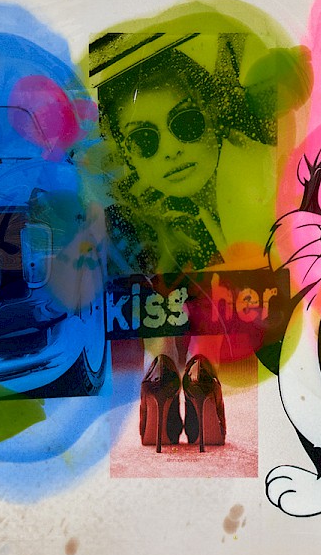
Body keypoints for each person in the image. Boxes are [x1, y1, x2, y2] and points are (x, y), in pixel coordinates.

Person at [93, 32, 282, 452]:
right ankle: (199, 373)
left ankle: (162, 377)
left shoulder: (248, 177)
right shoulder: (158, 206)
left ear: (212, 116)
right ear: (128, 155)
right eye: (146, 141)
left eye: (186, 124)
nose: (171, 152)